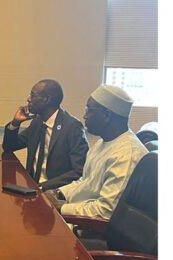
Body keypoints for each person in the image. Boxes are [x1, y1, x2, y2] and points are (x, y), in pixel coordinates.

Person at [45, 85, 147, 220]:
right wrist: (58, 192)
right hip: (78, 214)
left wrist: (61, 208)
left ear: (106, 115)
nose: (85, 115)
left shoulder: (126, 155)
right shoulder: (101, 143)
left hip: (90, 226)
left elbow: (106, 211)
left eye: (89, 110)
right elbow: (85, 181)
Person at [2, 79, 88, 190]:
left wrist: (44, 187)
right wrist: (15, 123)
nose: (28, 99)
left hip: (54, 191)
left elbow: (79, 171)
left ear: (46, 99)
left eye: (33, 95)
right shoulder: (37, 122)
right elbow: (9, 147)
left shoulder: (72, 127)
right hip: (31, 188)